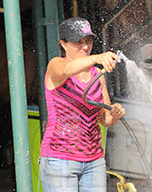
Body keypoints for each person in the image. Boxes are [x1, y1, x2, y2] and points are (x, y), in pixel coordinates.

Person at [39, 17, 126, 192]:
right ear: (63, 44)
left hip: (94, 161)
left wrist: (114, 113)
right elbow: (65, 71)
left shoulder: (97, 74)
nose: (85, 47)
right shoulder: (56, 64)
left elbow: (104, 119)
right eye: (78, 42)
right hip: (59, 159)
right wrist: (96, 58)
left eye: (88, 41)